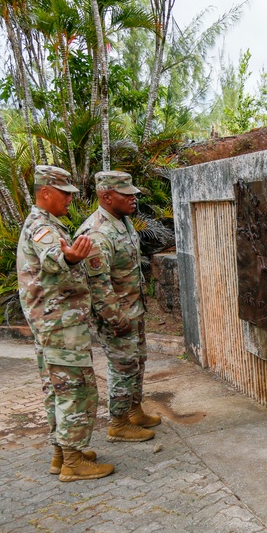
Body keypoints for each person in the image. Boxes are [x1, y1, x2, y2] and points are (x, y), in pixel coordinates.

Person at [17, 165, 113, 482]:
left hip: (53, 323)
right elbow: (51, 257)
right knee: (77, 389)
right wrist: (70, 258)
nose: (70, 200)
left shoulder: (43, 223)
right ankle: (73, 462)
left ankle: (61, 453)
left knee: (56, 388)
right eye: (65, 193)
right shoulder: (42, 227)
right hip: (60, 324)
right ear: (46, 193)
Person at [77, 171, 159, 444]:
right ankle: (118, 423)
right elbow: (98, 286)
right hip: (117, 316)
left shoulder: (122, 222)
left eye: (133, 192)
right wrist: (117, 318)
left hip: (133, 310)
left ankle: (134, 411)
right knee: (123, 367)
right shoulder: (98, 232)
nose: (133, 197)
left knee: (137, 363)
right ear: (107, 196)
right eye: (127, 194)